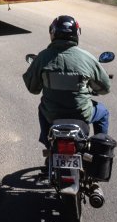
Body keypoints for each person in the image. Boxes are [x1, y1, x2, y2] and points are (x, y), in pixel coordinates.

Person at [23, 15, 111, 146]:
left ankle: (48, 144)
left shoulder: (42, 57)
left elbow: (33, 89)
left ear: (52, 33)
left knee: (42, 107)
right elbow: (105, 89)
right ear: (77, 34)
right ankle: (99, 146)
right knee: (103, 112)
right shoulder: (87, 58)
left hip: (52, 114)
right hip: (82, 114)